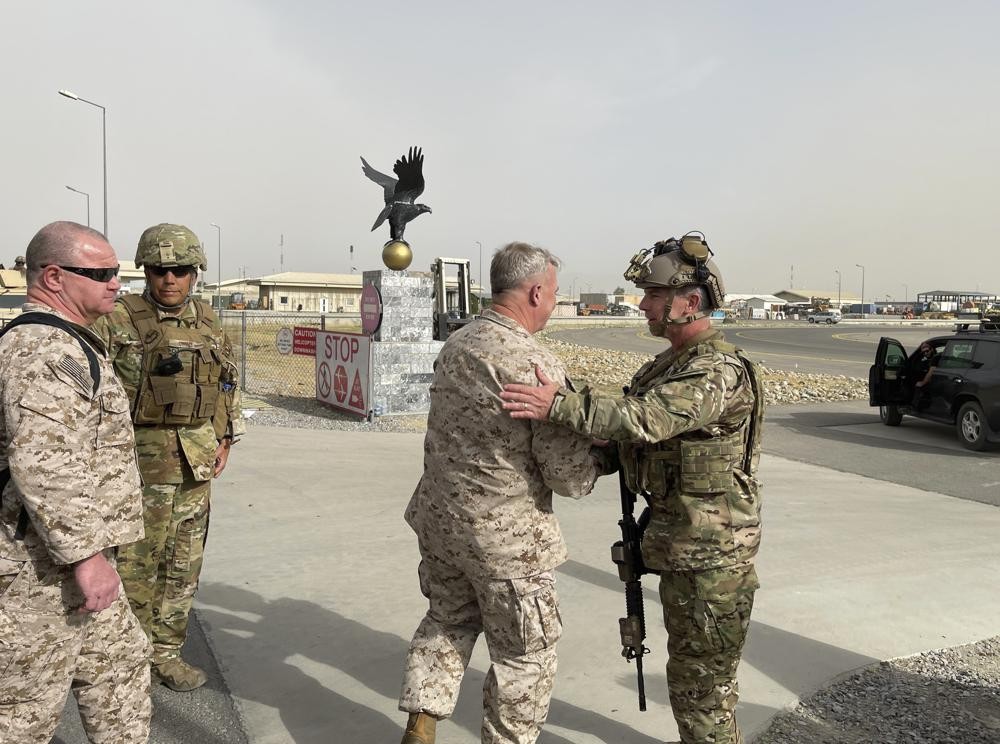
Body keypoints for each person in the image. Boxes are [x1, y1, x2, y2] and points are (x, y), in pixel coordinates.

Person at [501, 232, 765, 744]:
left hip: (711, 561)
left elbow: (644, 418)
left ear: (690, 304)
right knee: (689, 678)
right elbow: (627, 437)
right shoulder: (665, 366)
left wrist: (558, 403)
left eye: (653, 296)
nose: (642, 305)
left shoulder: (716, 371)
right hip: (680, 547)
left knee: (702, 689)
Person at [398, 242, 604, 744]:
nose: (553, 304)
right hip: (507, 542)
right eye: (554, 295)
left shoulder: (459, 345)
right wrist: (598, 455)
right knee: (524, 656)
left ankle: (421, 728)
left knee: (447, 621)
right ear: (536, 292)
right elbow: (568, 477)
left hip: (443, 524)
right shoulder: (536, 366)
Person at [0, 221, 151, 742]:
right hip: (36, 572)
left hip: (71, 559)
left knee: (121, 674)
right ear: (55, 276)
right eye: (102, 272)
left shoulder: (70, 341)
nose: (116, 282)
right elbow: (45, 463)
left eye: (117, 272)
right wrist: (87, 559)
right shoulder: (44, 350)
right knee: (24, 712)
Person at [92, 223, 244, 692]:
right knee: (136, 567)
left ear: (195, 273)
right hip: (138, 468)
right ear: (146, 271)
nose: (170, 279)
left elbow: (227, 380)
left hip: (195, 465)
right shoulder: (116, 320)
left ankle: (166, 653)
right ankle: (129, 659)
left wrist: (226, 436)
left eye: (180, 270)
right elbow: (89, 393)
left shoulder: (208, 321)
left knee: (183, 566)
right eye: (160, 270)